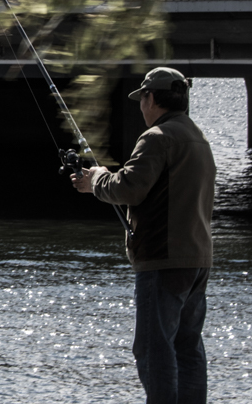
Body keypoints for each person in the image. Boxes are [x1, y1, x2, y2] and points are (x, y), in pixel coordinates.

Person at [72, 67, 216, 404]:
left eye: (142, 99)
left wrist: (96, 180)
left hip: (163, 258)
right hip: (198, 260)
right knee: (187, 345)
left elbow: (130, 188)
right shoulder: (197, 136)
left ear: (152, 98)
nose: (140, 106)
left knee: (154, 348)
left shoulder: (158, 137)